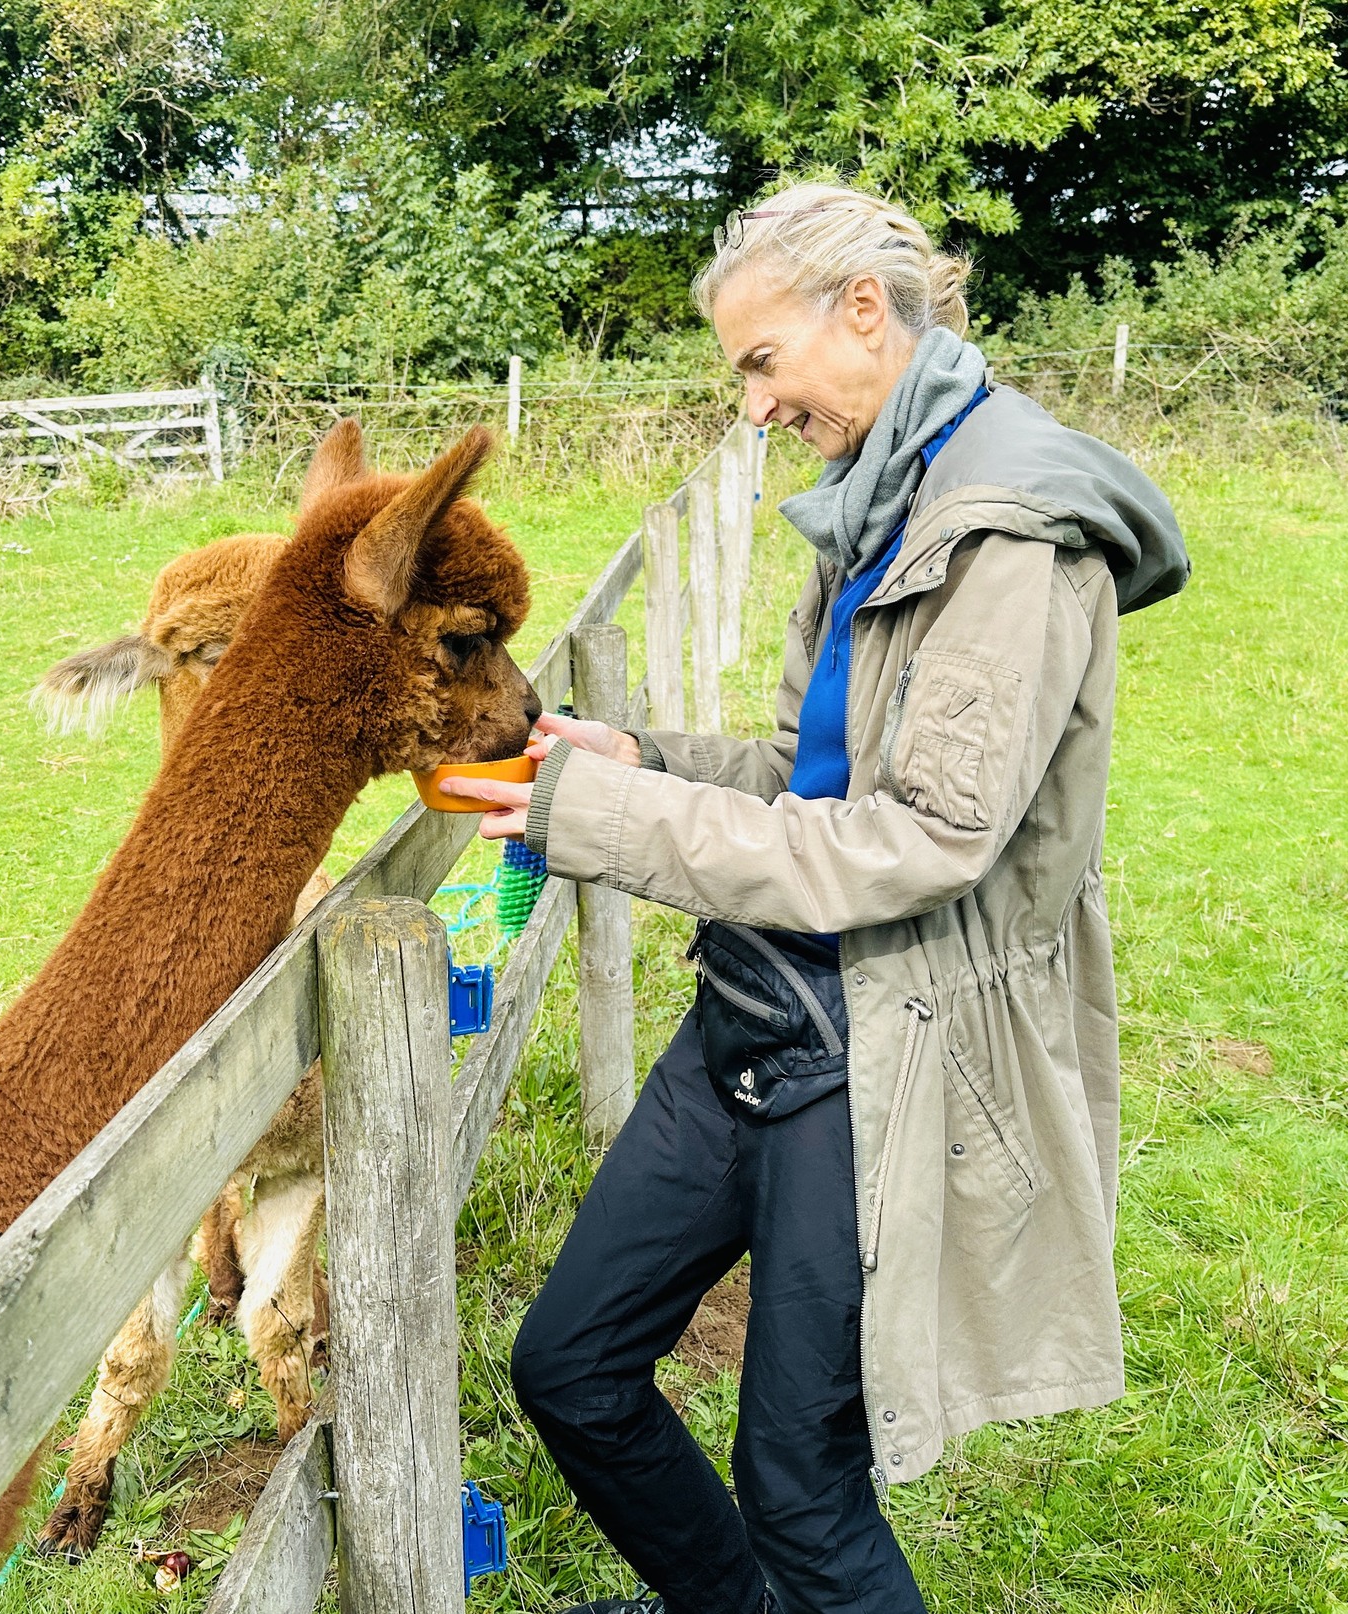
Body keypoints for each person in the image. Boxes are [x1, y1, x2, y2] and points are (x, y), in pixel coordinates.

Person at [442, 183, 1189, 1614]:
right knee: (573, 1365)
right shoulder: (877, 499)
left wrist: (600, 816)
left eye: (762, 361)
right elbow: (810, 779)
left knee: (799, 1480)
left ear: (861, 312)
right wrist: (646, 760)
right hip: (758, 1003)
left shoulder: (1011, 538)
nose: (755, 405)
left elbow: (919, 838)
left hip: (881, 1050)